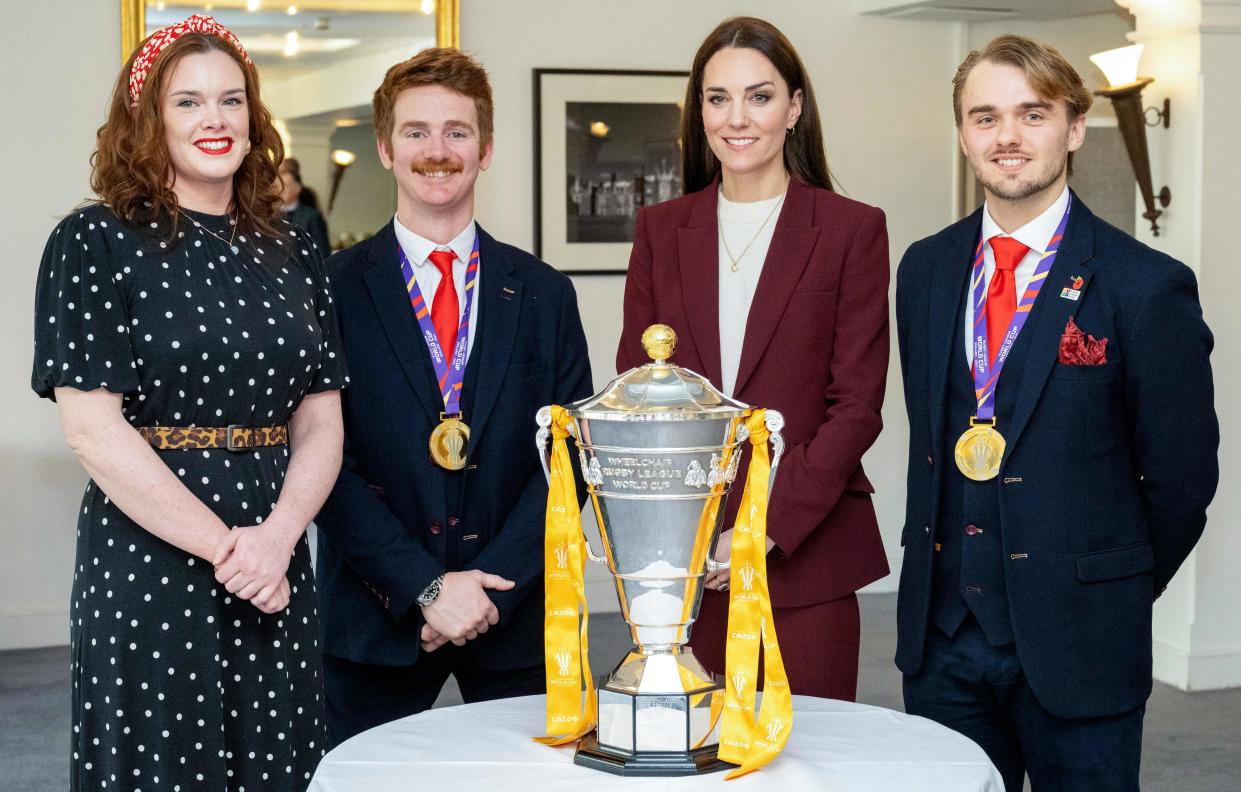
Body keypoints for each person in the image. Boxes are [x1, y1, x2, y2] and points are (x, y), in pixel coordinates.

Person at [894, 35, 1218, 791]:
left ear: (1073, 128)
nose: (1006, 136)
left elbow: (1180, 480)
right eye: (984, 117)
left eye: (1030, 113)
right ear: (964, 134)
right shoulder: (925, 269)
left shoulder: (1145, 286)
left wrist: (1106, 587)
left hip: (1082, 644)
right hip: (941, 644)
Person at [30, 14, 346, 791]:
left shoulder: (296, 244)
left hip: (276, 549)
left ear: (253, 118)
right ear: (148, 122)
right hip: (151, 558)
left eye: (232, 101)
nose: (215, 120)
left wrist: (277, 539)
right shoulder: (92, 242)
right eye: (188, 102)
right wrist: (232, 551)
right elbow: (92, 431)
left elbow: (321, 417)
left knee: (281, 763)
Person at [314, 47, 592, 746]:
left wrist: (486, 586)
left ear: (486, 148)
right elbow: (317, 458)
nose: (436, 152)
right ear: (384, 147)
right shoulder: (327, 290)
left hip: (513, 614)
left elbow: (571, 458)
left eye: (456, 132)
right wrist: (427, 588)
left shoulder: (544, 293)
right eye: (415, 132)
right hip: (375, 613)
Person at [615, 16, 890, 700]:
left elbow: (855, 407)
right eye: (717, 98)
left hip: (805, 551)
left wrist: (761, 527)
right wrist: (685, 531)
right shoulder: (659, 230)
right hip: (684, 563)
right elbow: (636, 395)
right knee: (697, 753)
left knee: (810, 758)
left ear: (794, 107)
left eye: (759, 96)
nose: (737, 118)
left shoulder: (851, 229)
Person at [279, 156, 332, 252]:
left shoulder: (311, 216)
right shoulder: (269, 215)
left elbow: (322, 250)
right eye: (279, 186)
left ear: (298, 188)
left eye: (286, 186)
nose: (281, 190)